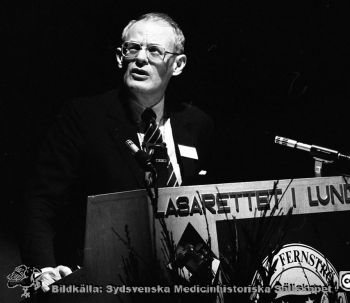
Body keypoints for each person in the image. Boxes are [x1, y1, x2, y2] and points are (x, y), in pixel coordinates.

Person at [20, 12, 214, 291]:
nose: (140, 58)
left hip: (181, 284)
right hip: (103, 282)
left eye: (155, 51)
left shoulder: (197, 124)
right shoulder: (84, 117)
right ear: (119, 57)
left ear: (178, 64)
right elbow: (41, 201)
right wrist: (43, 270)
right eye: (132, 48)